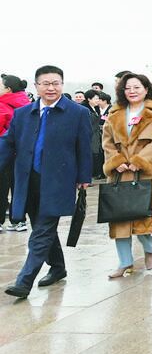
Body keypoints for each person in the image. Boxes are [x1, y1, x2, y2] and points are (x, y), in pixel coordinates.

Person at [0, 66, 92, 299]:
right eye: (45, 83)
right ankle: (58, 267)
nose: (51, 88)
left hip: (59, 181)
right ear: (36, 86)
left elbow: (84, 147)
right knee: (42, 226)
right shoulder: (23, 114)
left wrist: (84, 177)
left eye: (55, 83)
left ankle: (24, 281)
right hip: (28, 180)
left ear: (62, 84)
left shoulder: (77, 113)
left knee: (41, 231)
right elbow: (8, 143)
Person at [101, 73, 152, 278]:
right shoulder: (115, 112)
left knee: (142, 216)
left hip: (146, 172)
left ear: (146, 90)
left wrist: (140, 161)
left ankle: (148, 248)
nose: (132, 91)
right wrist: (116, 161)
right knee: (119, 218)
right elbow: (107, 141)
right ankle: (124, 262)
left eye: (137, 87)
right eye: (128, 88)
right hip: (120, 173)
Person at [1, 74, 31, 233]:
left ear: (8, 89)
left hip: (4, 151)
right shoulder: (27, 103)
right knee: (19, 186)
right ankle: (19, 220)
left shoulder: (2, 104)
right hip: (23, 151)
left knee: (1, 187)